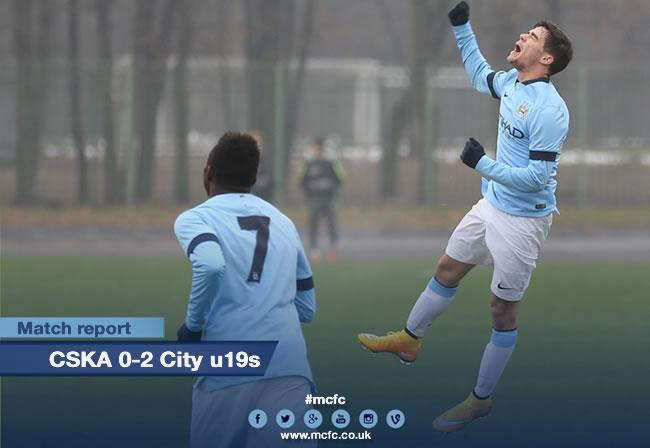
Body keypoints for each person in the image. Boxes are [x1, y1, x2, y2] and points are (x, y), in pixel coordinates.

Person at [358, 1, 572, 433]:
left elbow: (535, 179)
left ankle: (480, 400)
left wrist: (482, 164)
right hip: (490, 204)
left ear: (546, 59)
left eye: (532, 36)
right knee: (447, 268)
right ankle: (410, 340)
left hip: (523, 223)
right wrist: (462, 26)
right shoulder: (512, 82)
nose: (523, 37)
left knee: (501, 311)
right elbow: (478, 75)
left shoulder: (550, 111)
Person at [174, 132, 317, 447]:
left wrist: (193, 327)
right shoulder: (283, 222)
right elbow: (307, 308)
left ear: (208, 173)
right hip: (289, 367)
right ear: (254, 177)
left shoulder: (196, 218)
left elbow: (210, 264)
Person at [297, 138, 346, 262]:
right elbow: (300, 181)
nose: (316, 150)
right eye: (314, 147)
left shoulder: (331, 163)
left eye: (318, 147)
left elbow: (341, 178)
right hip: (314, 200)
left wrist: (332, 190)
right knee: (313, 223)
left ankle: (333, 249)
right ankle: (314, 249)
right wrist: (309, 192)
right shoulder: (308, 164)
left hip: (328, 200)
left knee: (331, 223)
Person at [250, 130, 275, 203]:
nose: (257, 146)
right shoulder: (242, 162)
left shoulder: (268, 161)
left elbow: (272, 181)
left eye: (259, 144)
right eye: (254, 143)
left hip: (265, 198)